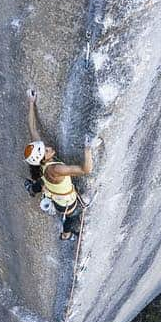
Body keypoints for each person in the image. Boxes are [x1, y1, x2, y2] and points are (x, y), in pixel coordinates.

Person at [23, 88, 99, 241]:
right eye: (46, 150)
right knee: (72, 217)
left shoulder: (41, 162)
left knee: (41, 181)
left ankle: (32, 189)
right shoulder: (56, 169)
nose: (49, 147)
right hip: (66, 204)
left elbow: (32, 128)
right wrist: (88, 148)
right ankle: (66, 235)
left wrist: (31, 103)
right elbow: (86, 169)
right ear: (43, 158)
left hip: (53, 193)